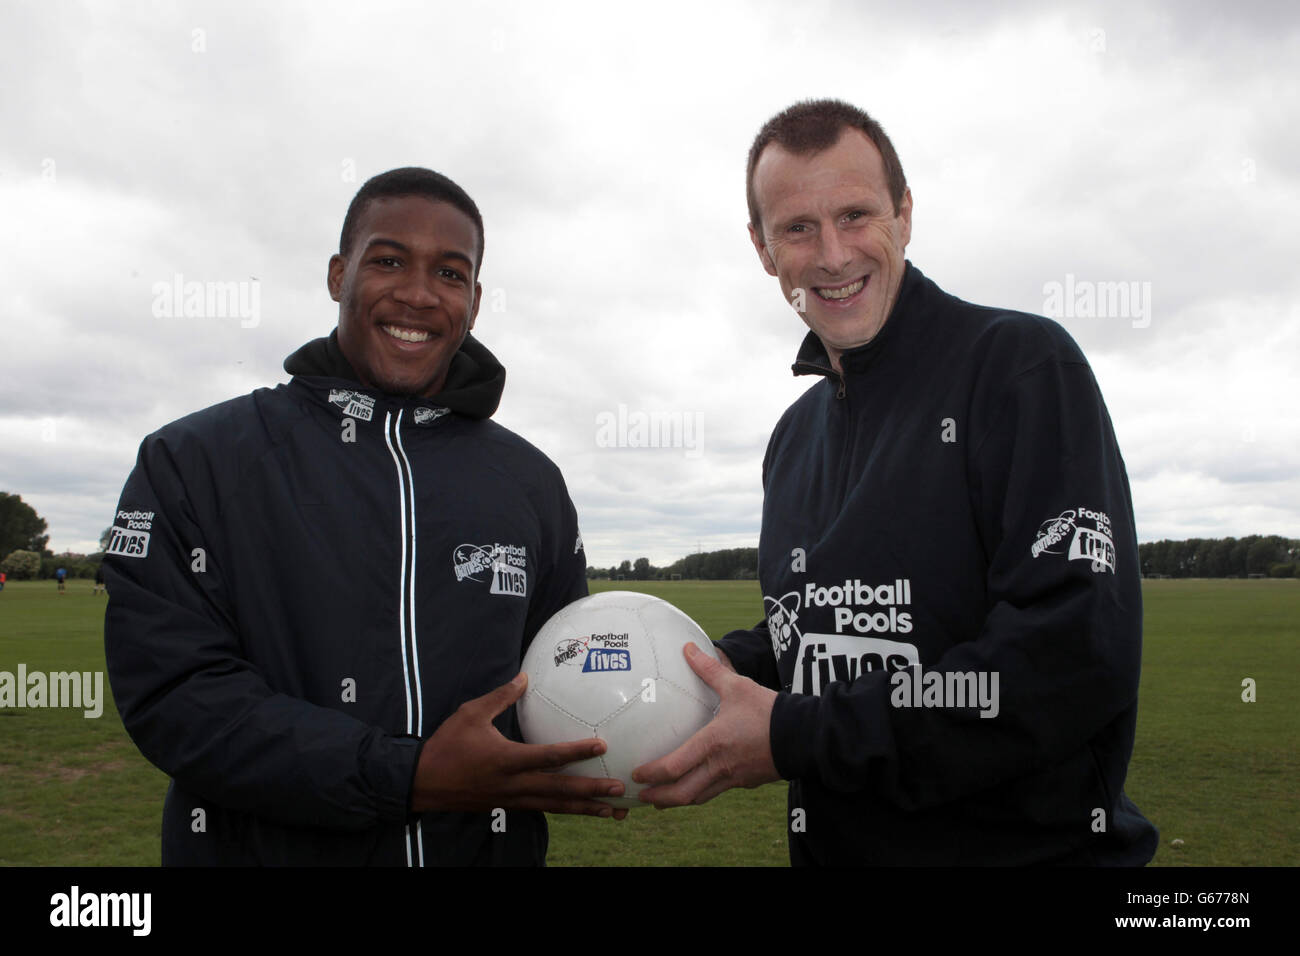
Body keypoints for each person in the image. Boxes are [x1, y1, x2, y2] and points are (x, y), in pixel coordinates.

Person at [634, 100, 1159, 866]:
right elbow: (822, 635)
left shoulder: (1019, 366)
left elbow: (1070, 658)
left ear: (904, 215)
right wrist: (685, 669)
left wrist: (794, 736)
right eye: (798, 228)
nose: (834, 255)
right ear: (761, 248)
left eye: (855, 215)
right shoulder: (793, 437)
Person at [104, 167, 625, 866]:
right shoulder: (192, 461)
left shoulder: (529, 480)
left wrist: (635, 720)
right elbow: (175, 698)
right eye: (388, 261)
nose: (416, 293)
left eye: (448, 272)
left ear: (473, 300)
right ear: (337, 274)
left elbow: (558, 682)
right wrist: (403, 777)